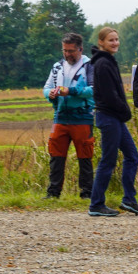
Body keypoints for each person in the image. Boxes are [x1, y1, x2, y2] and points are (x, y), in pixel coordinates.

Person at [87, 27, 138, 217]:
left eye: (117, 39)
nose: (115, 43)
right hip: (109, 117)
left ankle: (129, 199)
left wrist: (122, 112)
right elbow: (110, 96)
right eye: (111, 40)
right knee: (108, 160)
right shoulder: (103, 64)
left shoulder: (107, 61)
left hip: (114, 117)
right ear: (101, 42)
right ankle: (96, 204)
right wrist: (125, 111)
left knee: (132, 156)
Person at [42, 32, 94, 199]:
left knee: (84, 157)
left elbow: (94, 90)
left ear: (80, 49)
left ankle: (87, 193)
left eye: (71, 51)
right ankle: (53, 193)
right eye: (65, 50)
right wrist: (49, 93)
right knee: (56, 156)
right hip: (60, 116)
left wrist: (70, 91)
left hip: (83, 117)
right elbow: (46, 87)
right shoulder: (57, 66)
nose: (67, 54)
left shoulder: (90, 66)